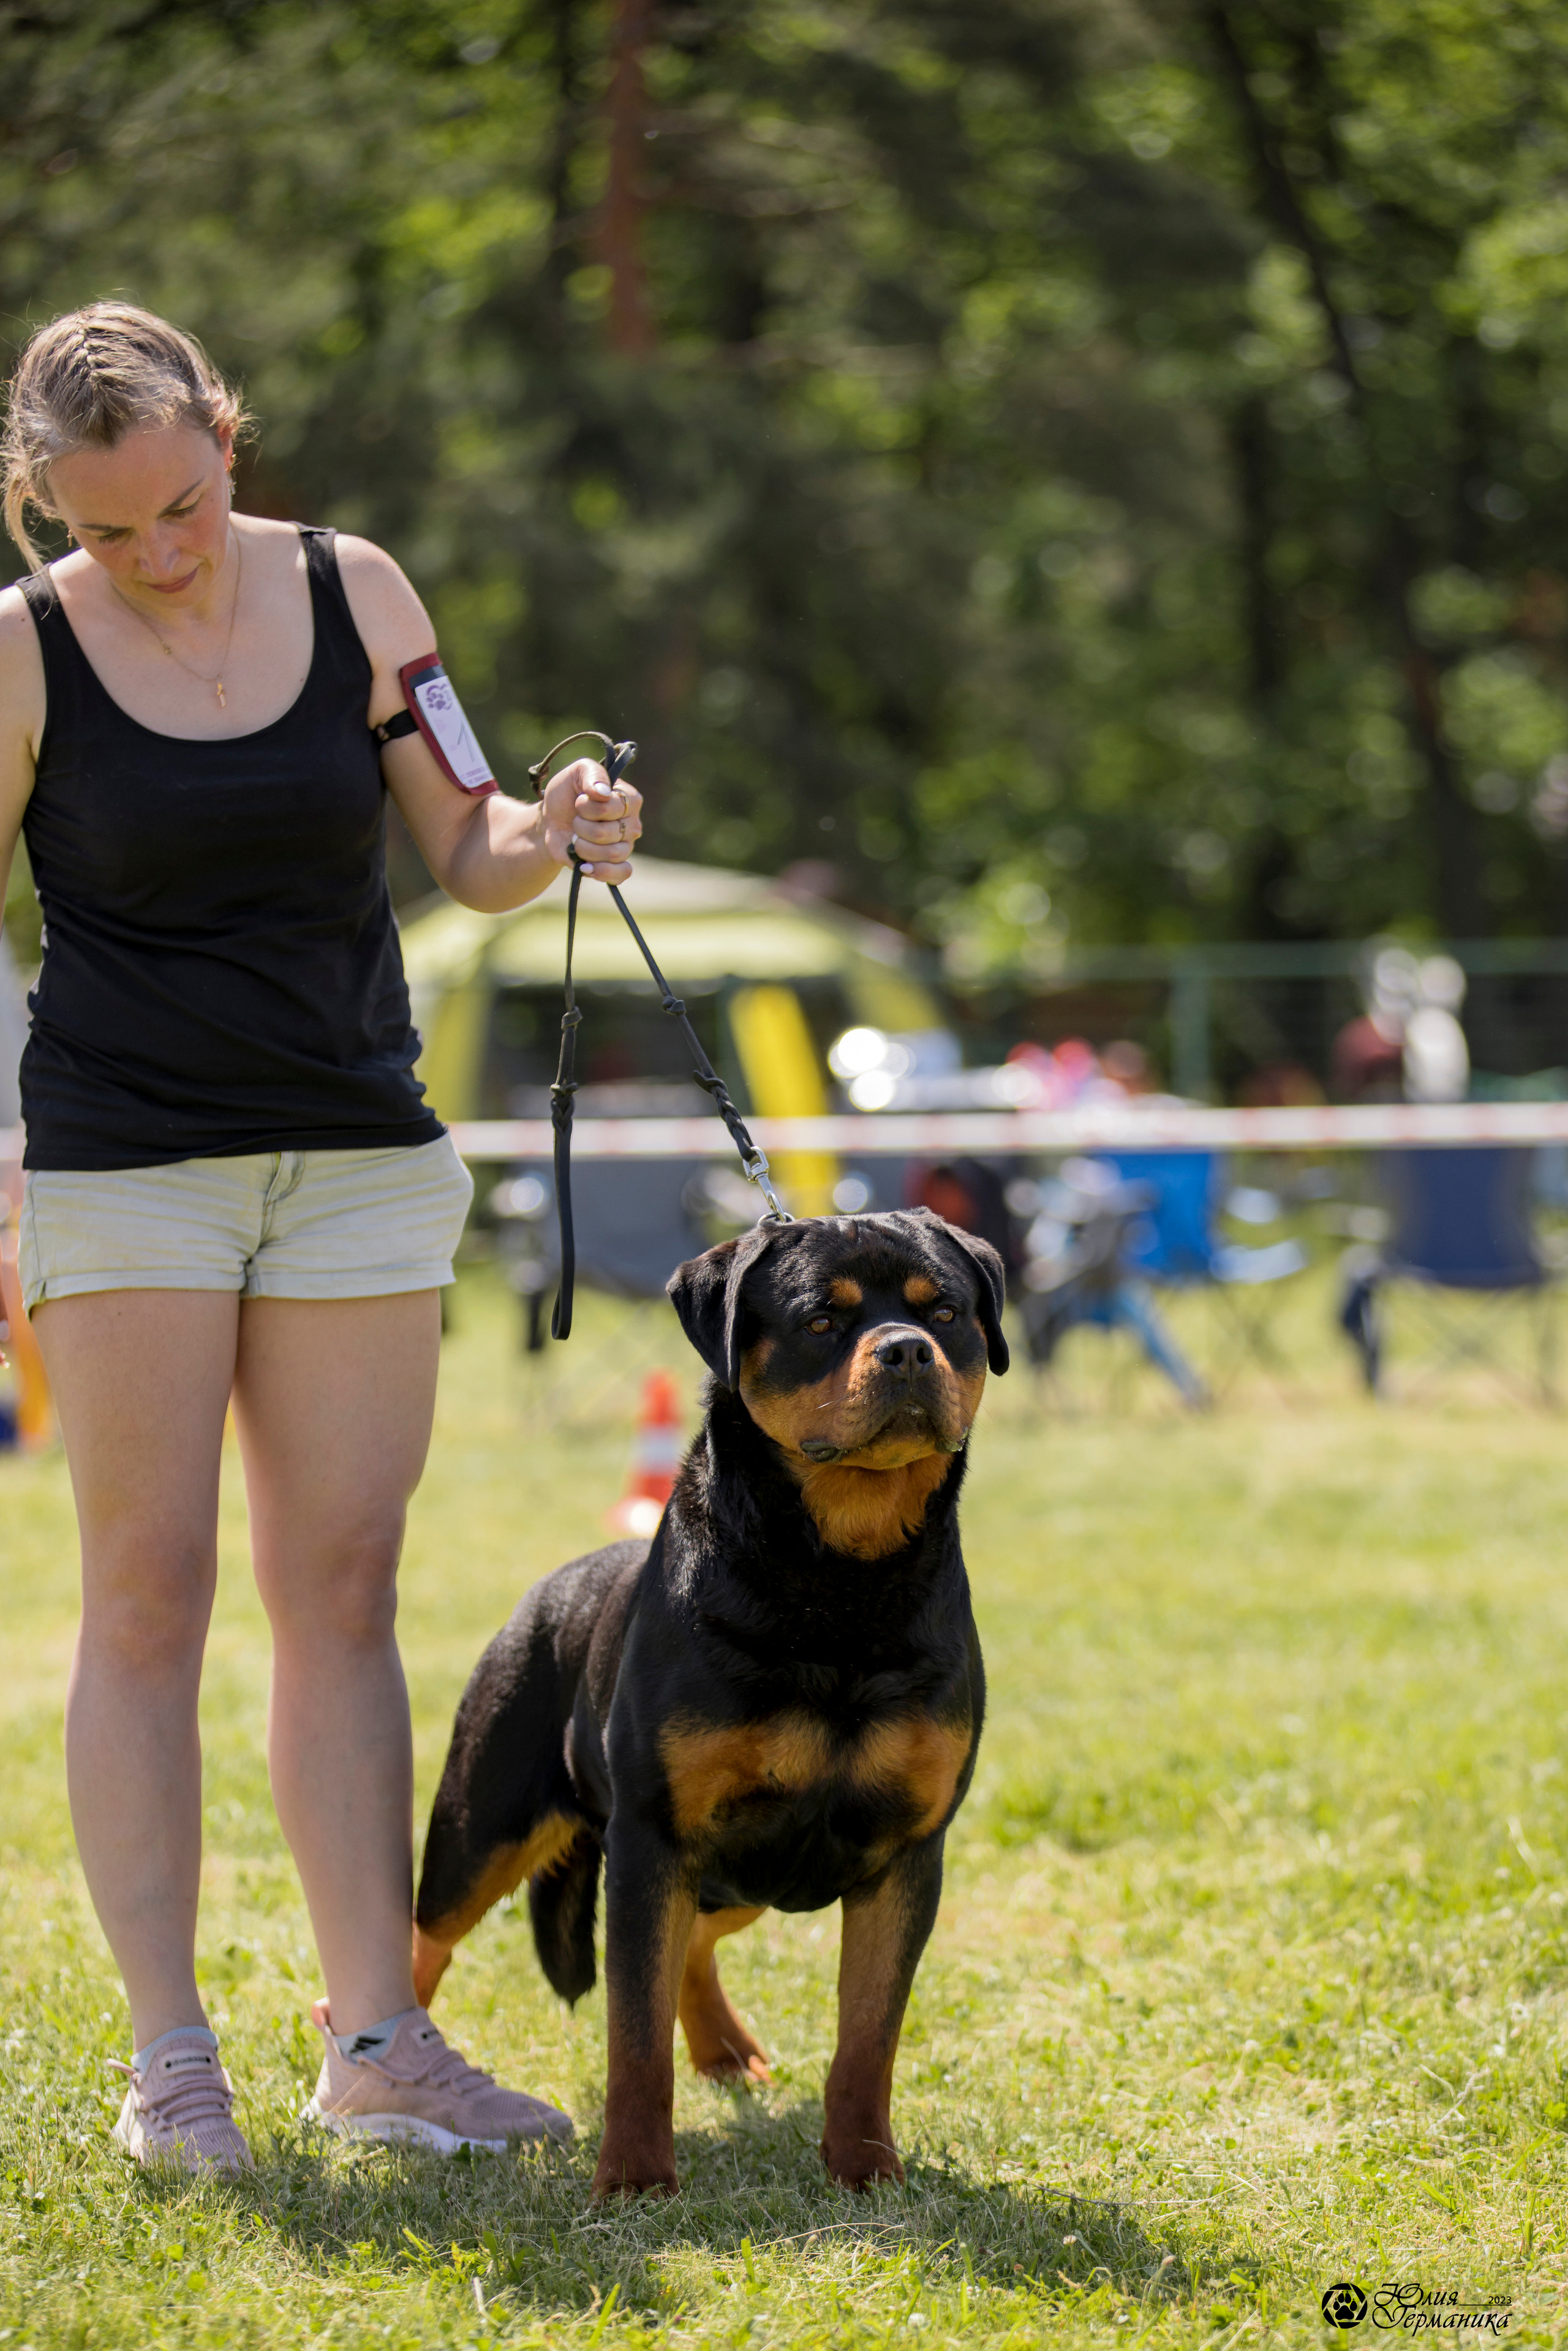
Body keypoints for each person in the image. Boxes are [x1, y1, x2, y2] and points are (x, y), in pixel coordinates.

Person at [0, 303, 645, 2174]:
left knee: (342, 1590)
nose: (160, 555)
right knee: (146, 1598)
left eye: (184, 507)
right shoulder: (29, 651)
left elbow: (471, 847)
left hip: (358, 1153)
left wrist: (565, 824)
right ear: (49, 511)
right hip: (135, 1167)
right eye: (107, 532)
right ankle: (170, 2062)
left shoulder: (356, 589)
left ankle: (376, 2040)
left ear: (225, 433)